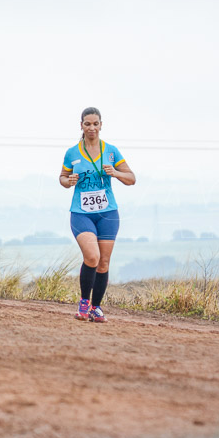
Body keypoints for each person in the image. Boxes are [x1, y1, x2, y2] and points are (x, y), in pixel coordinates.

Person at [59, 107, 135, 323]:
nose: (91, 127)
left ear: (101, 125)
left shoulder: (111, 151)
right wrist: (68, 181)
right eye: (87, 124)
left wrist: (116, 173)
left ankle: (96, 307)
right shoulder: (72, 153)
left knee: (103, 263)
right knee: (92, 257)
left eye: (95, 123)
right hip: (81, 213)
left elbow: (131, 178)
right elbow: (62, 178)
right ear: (81, 126)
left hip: (108, 214)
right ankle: (84, 303)